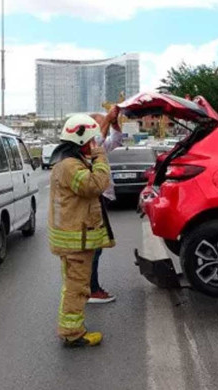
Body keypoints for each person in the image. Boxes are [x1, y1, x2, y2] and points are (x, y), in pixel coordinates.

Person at [48, 114, 114, 348]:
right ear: (81, 140)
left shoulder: (68, 162)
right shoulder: (70, 166)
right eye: (91, 141)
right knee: (77, 288)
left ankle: (70, 328)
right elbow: (95, 185)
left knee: (73, 287)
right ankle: (72, 333)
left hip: (75, 237)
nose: (94, 145)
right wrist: (101, 157)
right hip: (76, 240)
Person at [87, 108, 124, 304]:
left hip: (103, 197)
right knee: (95, 247)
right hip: (95, 198)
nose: (106, 127)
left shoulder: (98, 145)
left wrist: (114, 122)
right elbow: (99, 144)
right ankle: (92, 289)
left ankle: (90, 287)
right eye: (102, 124)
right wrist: (107, 121)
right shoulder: (89, 147)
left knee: (97, 246)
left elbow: (116, 140)